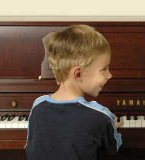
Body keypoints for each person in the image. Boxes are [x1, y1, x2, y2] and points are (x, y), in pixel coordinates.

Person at [25, 25, 122, 160]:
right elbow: (113, 147)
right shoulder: (101, 115)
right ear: (78, 73)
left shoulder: (37, 105)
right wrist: (112, 126)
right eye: (104, 69)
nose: (110, 75)